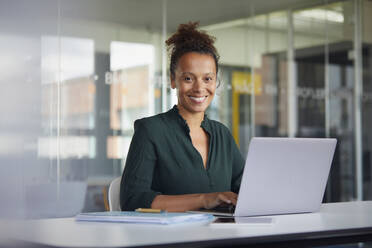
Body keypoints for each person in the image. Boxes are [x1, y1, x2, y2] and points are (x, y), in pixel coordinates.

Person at [120, 22, 245, 212]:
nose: (199, 88)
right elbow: (133, 200)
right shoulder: (151, 131)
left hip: (223, 236)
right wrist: (204, 200)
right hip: (173, 239)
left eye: (207, 78)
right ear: (173, 80)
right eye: (188, 78)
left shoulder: (223, 135)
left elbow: (246, 190)